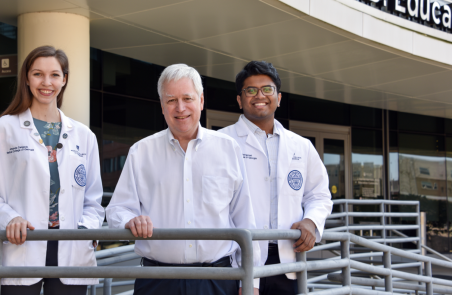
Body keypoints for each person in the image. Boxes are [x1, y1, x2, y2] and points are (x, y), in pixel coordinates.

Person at [106, 64, 261, 295]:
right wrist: (130, 220)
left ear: (201, 100)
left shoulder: (229, 149)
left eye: (187, 98)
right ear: (162, 106)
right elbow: (117, 209)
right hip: (157, 281)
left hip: (218, 280)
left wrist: (252, 283)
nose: (180, 108)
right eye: (171, 100)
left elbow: (245, 220)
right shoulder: (141, 152)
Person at [0, 45, 105, 295]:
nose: (47, 82)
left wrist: (86, 231)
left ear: (64, 79)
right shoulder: (1, 130)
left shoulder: (84, 136)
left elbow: (93, 200)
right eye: (37, 74)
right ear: (26, 78)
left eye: (55, 74)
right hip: (20, 244)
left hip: (70, 247)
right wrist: (9, 218)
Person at [219, 61, 333, 295]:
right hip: (237, 260)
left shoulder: (301, 146)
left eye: (267, 89)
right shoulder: (220, 142)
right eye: (250, 90)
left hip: (288, 260)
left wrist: (311, 221)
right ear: (240, 100)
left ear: (278, 98)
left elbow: (319, 194)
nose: (259, 95)